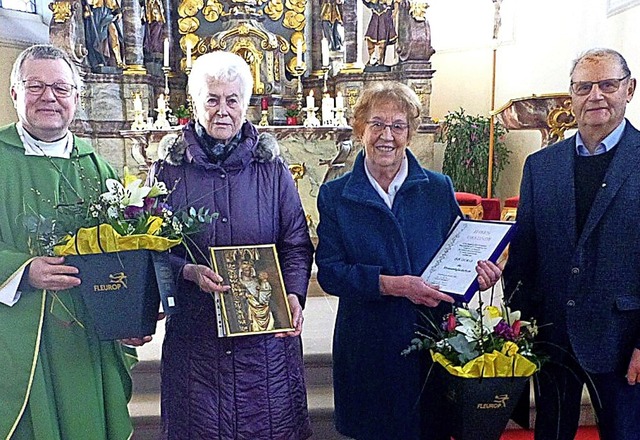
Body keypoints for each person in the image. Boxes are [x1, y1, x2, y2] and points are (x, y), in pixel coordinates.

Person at [315, 81, 502, 440]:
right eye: (377, 124)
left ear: (411, 133)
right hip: (369, 342)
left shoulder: (437, 187)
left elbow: (457, 256)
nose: (387, 135)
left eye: (398, 125)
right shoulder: (335, 195)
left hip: (429, 339)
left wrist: (478, 274)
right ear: (360, 130)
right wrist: (392, 285)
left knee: (428, 429)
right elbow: (331, 273)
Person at [150, 50, 314, 439]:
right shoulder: (169, 169)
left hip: (264, 346)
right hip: (196, 341)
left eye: (232, 99)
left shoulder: (271, 169)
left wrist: (293, 294)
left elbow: (295, 242)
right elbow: (152, 246)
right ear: (195, 102)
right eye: (212, 99)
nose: (222, 110)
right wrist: (186, 271)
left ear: (247, 104)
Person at [0, 44, 138, 439]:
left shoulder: (100, 168)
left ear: (76, 97)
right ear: (15, 94)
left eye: (61, 88)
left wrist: (131, 313)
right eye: (36, 86)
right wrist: (23, 271)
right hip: (18, 340)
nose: (49, 97)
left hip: (86, 339)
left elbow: (126, 256)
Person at [503, 48, 640, 440]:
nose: (596, 95)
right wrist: (518, 323)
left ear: (629, 90)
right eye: (584, 87)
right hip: (553, 337)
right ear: (572, 95)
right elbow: (525, 253)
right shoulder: (541, 166)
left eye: (608, 85)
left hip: (622, 340)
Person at [83, 0, 125, 70]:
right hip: (97, 14)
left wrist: (118, 12)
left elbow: (115, 6)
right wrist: (87, 11)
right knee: (99, 38)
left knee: (114, 33)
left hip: (108, 13)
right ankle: (100, 60)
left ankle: (118, 60)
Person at [363, 0, 397, 66]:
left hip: (385, 16)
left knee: (382, 40)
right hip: (375, 15)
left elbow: (396, 3)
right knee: (369, 38)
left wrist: (395, 10)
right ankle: (372, 58)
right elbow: (367, 3)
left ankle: (380, 60)